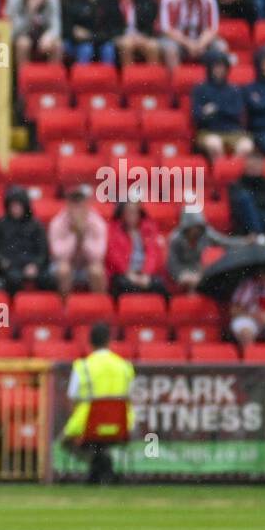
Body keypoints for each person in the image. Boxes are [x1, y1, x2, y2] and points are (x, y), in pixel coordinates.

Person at [62, 322, 135, 484]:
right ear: (110, 341)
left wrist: (75, 419)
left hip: (87, 424)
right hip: (120, 425)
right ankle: (104, 464)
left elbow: (72, 398)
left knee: (65, 441)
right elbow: (130, 397)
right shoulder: (124, 366)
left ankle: (96, 465)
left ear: (90, 343)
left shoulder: (83, 366)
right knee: (104, 442)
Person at [166, 202, 243, 291]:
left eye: (199, 226)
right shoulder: (175, 239)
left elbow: (225, 242)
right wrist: (182, 276)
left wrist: (245, 241)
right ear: (187, 226)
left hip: (198, 271)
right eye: (195, 226)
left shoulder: (205, 233)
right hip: (181, 272)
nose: (197, 230)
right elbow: (172, 264)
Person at [95, 0, 160, 65]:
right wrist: (119, 36)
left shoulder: (145, 0)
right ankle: (129, 77)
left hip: (140, 36)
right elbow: (105, 25)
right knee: (127, 45)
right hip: (119, 36)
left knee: (153, 46)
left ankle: (152, 78)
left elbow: (150, 24)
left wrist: (142, 35)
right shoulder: (109, 0)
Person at [192, 50, 252, 161]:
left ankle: (232, 171)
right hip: (209, 131)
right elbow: (197, 114)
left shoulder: (234, 89)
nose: (219, 70)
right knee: (215, 144)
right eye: (216, 67)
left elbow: (237, 112)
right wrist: (222, 109)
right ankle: (221, 172)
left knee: (246, 146)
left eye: (222, 67)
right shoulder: (200, 89)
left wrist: (215, 109)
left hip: (233, 131)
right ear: (210, 69)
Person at [158, 0, 223, 72]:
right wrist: (189, 44)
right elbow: (167, 29)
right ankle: (177, 81)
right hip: (177, 40)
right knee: (171, 50)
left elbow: (212, 29)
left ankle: (213, 84)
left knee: (221, 47)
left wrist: (200, 44)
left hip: (200, 40)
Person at [0, 185, 52, 294]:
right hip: (10, 266)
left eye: (18, 205)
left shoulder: (36, 225)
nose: (16, 209)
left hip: (32, 264)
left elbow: (43, 251)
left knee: (48, 279)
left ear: (25, 206)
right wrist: (3, 262)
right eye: (13, 206)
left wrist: (35, 265)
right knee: (13, 279)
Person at [49, 186, 108, 294]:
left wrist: (83, 235)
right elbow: (59, 255)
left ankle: (99, 306)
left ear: (86, 205)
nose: (77, 209)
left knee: (97, 270)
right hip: (66, 264)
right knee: (63, 269)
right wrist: (75, 235)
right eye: (74, 204)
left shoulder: (98, 223)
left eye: (80, 204)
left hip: (88, 265)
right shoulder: (57, 223)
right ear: (68, 205)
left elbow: (98, 255)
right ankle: (65, 308)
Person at [104, 196, 167, 296]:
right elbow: (113, 256)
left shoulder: (149, 230)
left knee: (160, 285)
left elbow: (153, 254)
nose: (131, 215)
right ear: (122, 214)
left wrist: (146, 274)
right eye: (128, 212)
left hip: (145, 275)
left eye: (134, 212)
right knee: (122, 285)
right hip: (123, 274)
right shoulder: (113, 230)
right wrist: (128, 273)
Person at [6, 0, 62, 64]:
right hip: (23, 33)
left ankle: (53, 76)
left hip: (43, 32)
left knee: (57, 45)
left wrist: (48, 36)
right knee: (23, 44)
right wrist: (30, 12)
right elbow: (13, 32)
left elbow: (56, 26)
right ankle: (24, 76)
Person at [61, 0, 108, 64]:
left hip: (90, 40)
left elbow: (99, 29)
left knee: (104, 48)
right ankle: (79, 76)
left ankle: (107, 76)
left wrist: (88, 35)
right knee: (83, 49)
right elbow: (63, 27)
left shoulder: (91, 5)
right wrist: (73, 32)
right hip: (70, 40)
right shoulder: (64, 3)